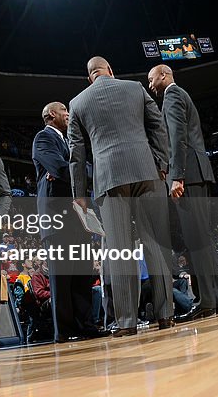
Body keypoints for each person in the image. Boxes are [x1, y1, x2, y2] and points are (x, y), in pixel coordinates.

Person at [68, 57, 173, 337]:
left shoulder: (77, 103)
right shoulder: (135, 88)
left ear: (89, 78)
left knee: (120, 249)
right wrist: (161, 164)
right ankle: (165, 314)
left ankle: (126, 321)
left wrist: (79, 194)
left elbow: (76, 155)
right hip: (145, 171)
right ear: (111, 70)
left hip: (109, 178)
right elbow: (158, 126)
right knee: (153, 243)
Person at [147, 65, 218, 318]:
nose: (150, 85)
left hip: (188, 176)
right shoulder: (179, 95)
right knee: (203, 238)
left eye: (151, 79)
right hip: (196, 173)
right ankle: (215, 298)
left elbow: (177, 137)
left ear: (164, 75)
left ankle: (206, 302)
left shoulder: (172, 95)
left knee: (196, 240)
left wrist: (176, 177)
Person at [32, 102, 103, 342]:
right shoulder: (43, 138)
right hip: (57, 218)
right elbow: (61, 168)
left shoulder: (68, 142)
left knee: (82, 273)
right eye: (64, 110)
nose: (69, 114)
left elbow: (76, 169)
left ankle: (86, 325)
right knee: (62, 278)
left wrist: (77, 170)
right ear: (52, 114)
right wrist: (78, 171)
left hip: (78, 217)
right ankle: (65, 331)